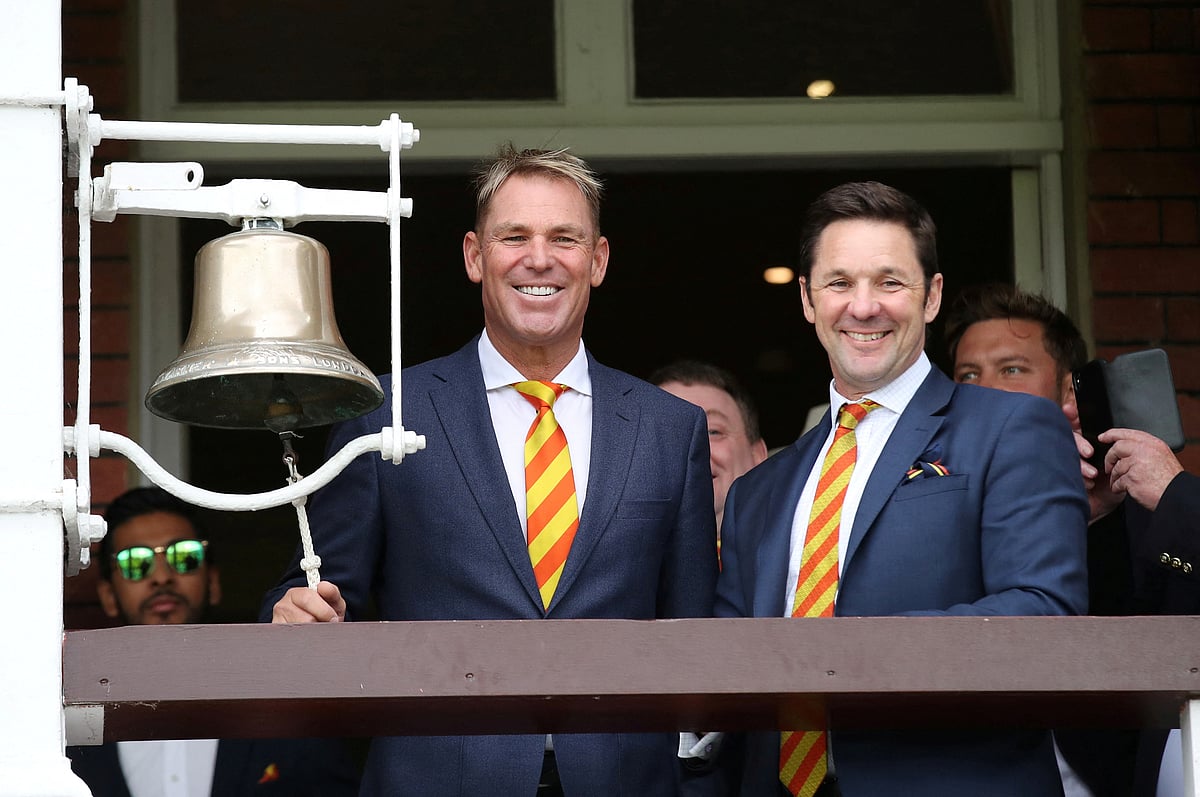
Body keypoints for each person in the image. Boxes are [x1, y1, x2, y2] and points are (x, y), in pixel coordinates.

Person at [264, 146, 718, 796]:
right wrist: (295, 614)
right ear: (475, 255)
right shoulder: (385, 416)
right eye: (515, 237)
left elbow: (694, 638)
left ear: (598, 260)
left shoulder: (670, 429)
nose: (540, 259)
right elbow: (313, 593)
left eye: (564, 238)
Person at [714, 181, 1088, 796]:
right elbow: (726, 665)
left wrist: (850, 651)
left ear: (931, 296)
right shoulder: (759, 489)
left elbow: (1044, 614)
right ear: (807, 299)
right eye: (839, 283)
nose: (864, 307)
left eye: (890, 282)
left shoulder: (1012, 428)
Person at [946, 283, 1200, 797]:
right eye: (968, 375)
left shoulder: (1131, 512)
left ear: (1069, 394)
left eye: (1011, 369)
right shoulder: (925, 504)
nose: (985, 390)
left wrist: (1102, 519)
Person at [68, 487, 360, 797]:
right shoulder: (69, 725)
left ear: (213, 581)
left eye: (185, 556)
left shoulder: (281, 706)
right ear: (108, 595)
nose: (162, 577)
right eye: (135, 562)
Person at [650, 360, 769, 535]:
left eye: (713, 431)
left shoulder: (796, 549)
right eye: (665, 435)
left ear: (758, 456)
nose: (690, 448)